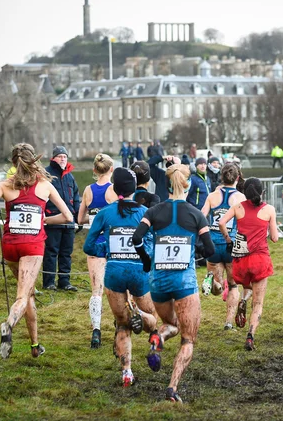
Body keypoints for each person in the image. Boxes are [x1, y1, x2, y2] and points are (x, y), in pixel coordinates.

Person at [0, 143, 73, 359]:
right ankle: (8, 325)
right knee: (23, 295)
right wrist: (44, 219)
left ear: (13, 163)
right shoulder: (45, 186)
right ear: (34, 161)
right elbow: (68, 217)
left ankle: (35, 345)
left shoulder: (4, 185)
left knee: (27, 293)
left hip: (10, 245)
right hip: (32, 246)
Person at [132, 164, 215, 403]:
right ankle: (172, 389)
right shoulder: (195, 213)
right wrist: (192, 249)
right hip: (184, 282)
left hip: (158, 280)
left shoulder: (154, 211)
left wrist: (147, 261)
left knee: (171, 323)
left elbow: (137, 238)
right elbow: (209, 249)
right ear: (187, 185)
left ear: (166, 185)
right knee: (188, 338)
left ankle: (157, 339)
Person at [83, 167, 158, 387]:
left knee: (123, 324)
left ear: (114, 189)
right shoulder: (145, 212)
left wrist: (107, 250)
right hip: (138, 272)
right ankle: (152, 340)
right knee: (152, 318)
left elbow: (89, 245)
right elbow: (152, 244)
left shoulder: (106, 213)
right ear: (135, 188)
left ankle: (126, 372)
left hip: (114, 272)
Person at [219, 178, 278, 351]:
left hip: (241, 261)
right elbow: (274, 238)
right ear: (262, 192)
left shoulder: (238, 207)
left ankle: (243, 299)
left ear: (244, 192)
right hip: (259, 260)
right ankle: (250, 336)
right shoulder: (269, 210)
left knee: (246, 286)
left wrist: (228, 240)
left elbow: (221, 223)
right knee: (258, 303)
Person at [77, 153, 118, 348]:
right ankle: (120, 323)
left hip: (94, 243)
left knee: (96, 290)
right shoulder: (113, 191)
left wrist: (95, 219)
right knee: (117, 287)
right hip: (112, 243)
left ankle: (96, 331)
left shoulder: (87, 191)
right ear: (111, 170)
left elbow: (79, 219)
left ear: (94, 170)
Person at [201, 163, 245, 330]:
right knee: (233, 285)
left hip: (213, 242)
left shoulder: (212, 196)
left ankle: (213, 282)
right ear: (237, 178)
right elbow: (245, 221)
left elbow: (201, 216)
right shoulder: (241, 198)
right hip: (231, 244)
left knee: (216, 286)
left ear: (221, 177)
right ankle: (228, 323)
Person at [42, 146, 81, 292]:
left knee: (66, 253)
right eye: (60, 156)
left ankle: (64, 281)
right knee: (51, 252)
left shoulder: (70, 176)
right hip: (52, 220)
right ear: (53, 158)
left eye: (65, 156)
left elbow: (75, 198)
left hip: (69, 223)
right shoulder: (46, 174)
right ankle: (49, 282)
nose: (63, 159)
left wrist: (77, 217)